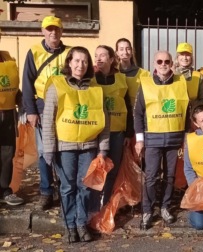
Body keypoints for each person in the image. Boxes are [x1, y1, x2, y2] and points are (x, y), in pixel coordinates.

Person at [42, 46, 110, 242]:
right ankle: (69, 226)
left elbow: (105, 123)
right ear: (69, 63)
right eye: (77, 60)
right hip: (64, 148)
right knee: (67, 188)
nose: (81, 64)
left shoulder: (96, 90)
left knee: (85, 187)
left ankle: (82, 224)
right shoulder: (57, 86)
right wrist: (49, 148)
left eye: (85, 61)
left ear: (88, 65)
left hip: (88, 147)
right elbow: (48, 119)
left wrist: (103, 148)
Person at [134, 51, 189, 229]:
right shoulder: (145, 84)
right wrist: (140, 139)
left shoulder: (181, 83)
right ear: (154, 63)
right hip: (152, 139)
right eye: (159, 61)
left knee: (170, 177)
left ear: (172, 63)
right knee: (151, 177)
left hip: (174, 139)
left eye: (167, 61)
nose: (163, 64)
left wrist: (186, 137)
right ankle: (148, 210)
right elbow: (138, 113)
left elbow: (186, 111)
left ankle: (165, 207)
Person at [22, 16, 71, 210]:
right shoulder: (34, 52)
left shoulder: (69, 52)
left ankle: (64, 189)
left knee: (64, 150)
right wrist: (31, 111)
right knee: (44, 152)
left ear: (61, 31)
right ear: (43, 31)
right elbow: (26, 83)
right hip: (42, 107)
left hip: (65, 107)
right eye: (49, 29)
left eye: (57, 29)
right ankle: (46, 192)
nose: (53, 33)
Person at [92, 45, 134, 207]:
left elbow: (128, 107)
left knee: (113, 170)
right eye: (96, 55)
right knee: (96, 169)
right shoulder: (90, 80)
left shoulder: (121, 79)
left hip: (117, 133)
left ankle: (106, 202)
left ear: (111, 59)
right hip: (96, 132)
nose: (98, 58)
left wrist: (128, 133)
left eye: (102, 55)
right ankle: (93, 203)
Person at [183, 105, 203, 230]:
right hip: (202, 186)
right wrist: (197, 187)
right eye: (202, 120)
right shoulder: (191, 140)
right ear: (196, 124)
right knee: (199, 224)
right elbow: (188, 169)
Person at [0, 50, 24, 206]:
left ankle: (4, 190)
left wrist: (22, 101)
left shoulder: (8, 59)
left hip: (8, 113)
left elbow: (14, 88)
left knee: (7, 152)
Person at [115, 38, 150, 107]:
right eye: (121, 49)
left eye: (128, 49)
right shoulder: (113, 73)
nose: (125, 52)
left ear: (131, 51)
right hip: (118, 115)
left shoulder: (144, 74)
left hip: (136, 113)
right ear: (117, 53)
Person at [174, 42, 203, 108]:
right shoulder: (171, 74)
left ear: (191, 58)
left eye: (188, 55)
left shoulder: (199, 76)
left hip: (192, 114)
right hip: (175, 113)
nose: (185, 58)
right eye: (182, 54)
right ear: (177, 57)